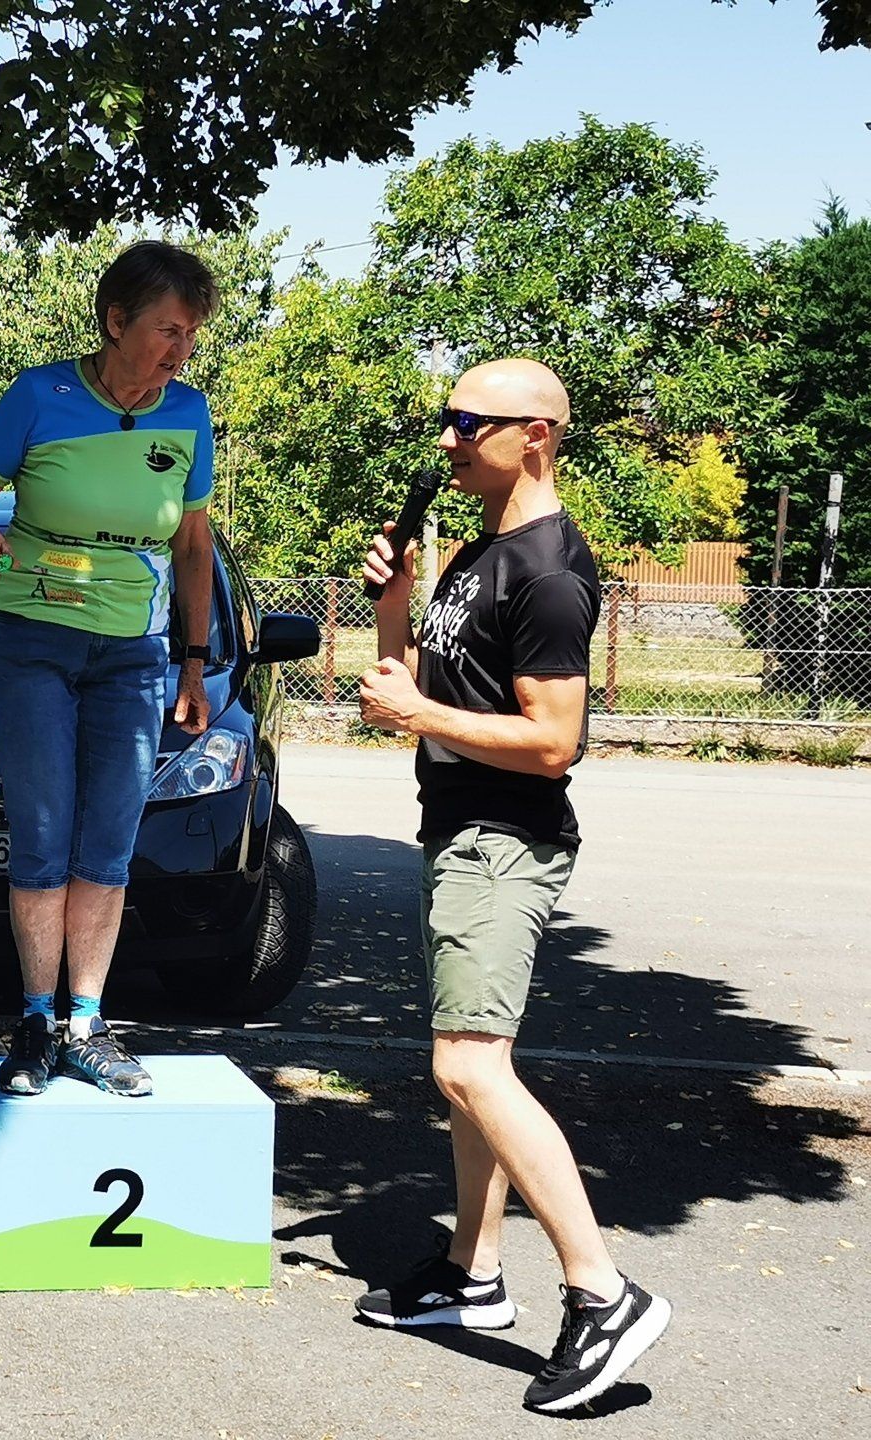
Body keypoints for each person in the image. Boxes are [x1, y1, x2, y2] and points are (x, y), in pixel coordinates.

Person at [352, 358, 671, 1412]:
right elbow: (406, 691)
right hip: (458, 831)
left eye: (468, 422)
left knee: (470, 1067)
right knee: (471, 1068)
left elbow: (552, 742)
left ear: (534, 435)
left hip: (503, 840)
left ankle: (603, 1293)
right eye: (445, 419)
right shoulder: (480, 554)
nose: (446, 438)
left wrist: (419, 716)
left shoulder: (548, 573)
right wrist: (397, 605)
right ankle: (471, 1274)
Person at [0, 240, 218, 1099]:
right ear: (115, 321)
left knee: (109, 836)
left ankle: (88, 1022)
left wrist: (194, 663)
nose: (180, 349)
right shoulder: (39, 395)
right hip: (29, 637)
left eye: (191, 334)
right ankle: (34, 1019)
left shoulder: (190, 413)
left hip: (132, 651)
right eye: (168, 330)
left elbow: (194, 544)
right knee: (43, 827)